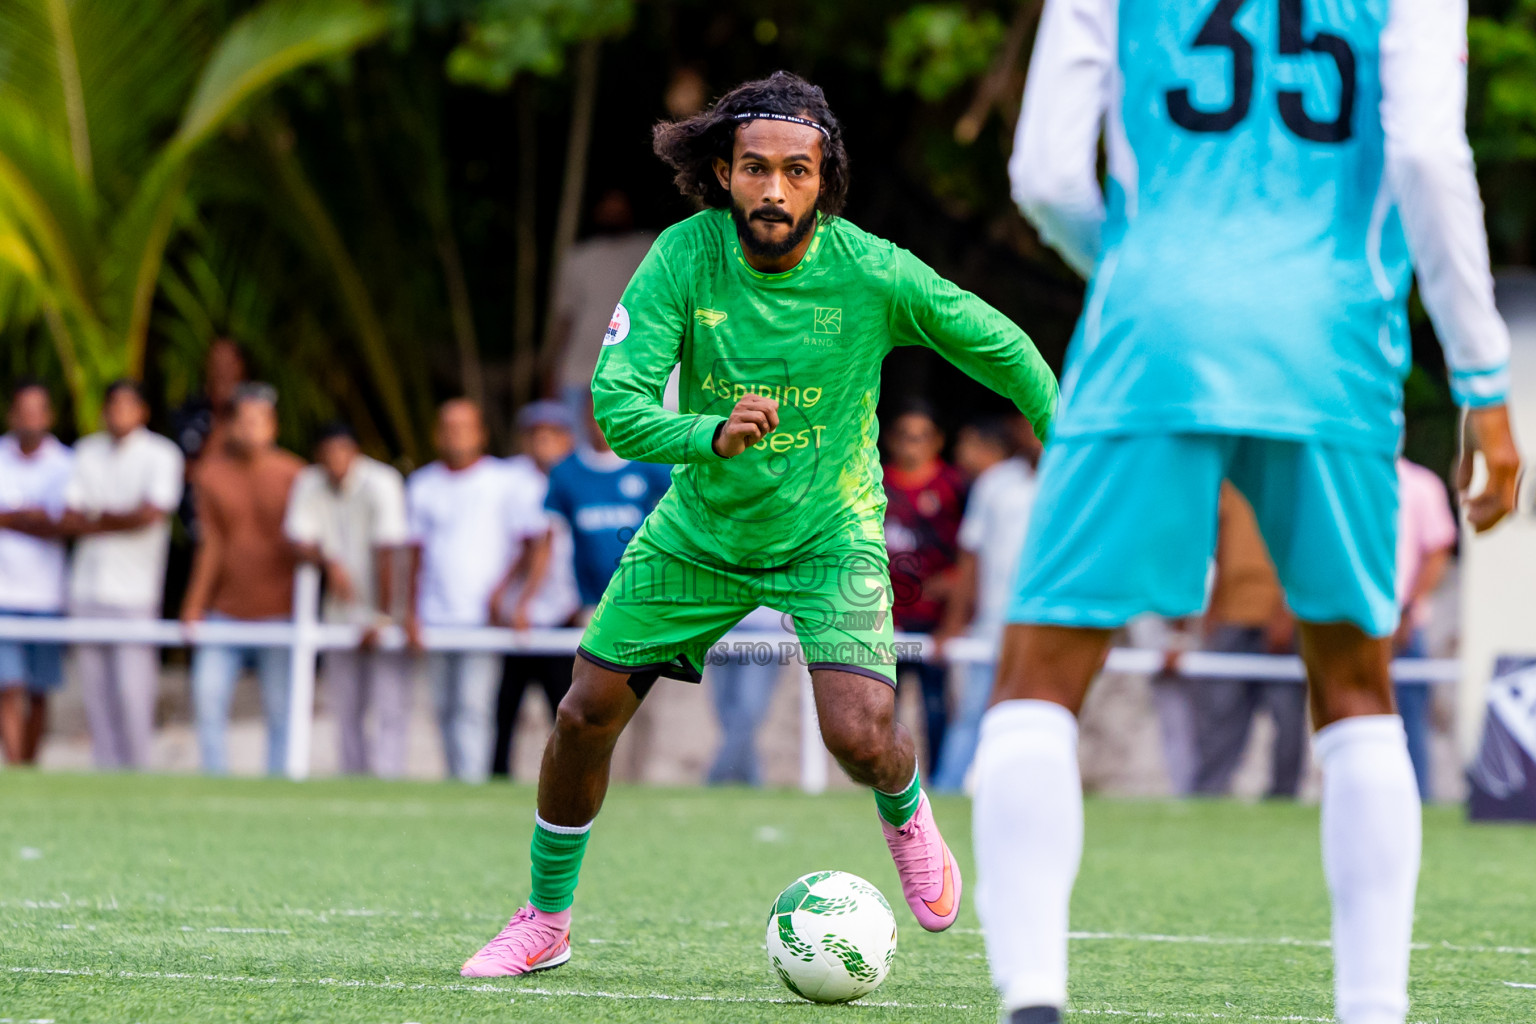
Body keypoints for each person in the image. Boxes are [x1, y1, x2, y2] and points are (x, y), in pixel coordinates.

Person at [975, 2, 1522, 1022]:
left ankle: (1034, 998)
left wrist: (1148, 275)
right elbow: (1425, 154)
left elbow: (1045, 173)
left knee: (1038, 675)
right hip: (1333, 339)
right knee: (1356, 684)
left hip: (1150, 329)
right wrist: (1483, 380)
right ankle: (1372, 1009)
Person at [459, 71, 1057, 978]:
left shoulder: (872, 270)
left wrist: (1067, 444)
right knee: (583, 714)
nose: (774, 189)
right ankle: (545, 921)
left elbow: (1002, 346)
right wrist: (708, 433)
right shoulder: (684, 256)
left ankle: (906, 808)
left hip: (830, 535)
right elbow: (616, 407)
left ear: (825, 181)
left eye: (795, 172)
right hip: (698, 533)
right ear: (723, 173)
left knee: (859, 737)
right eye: (755, 169)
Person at [406, 399, 547, 784]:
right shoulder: (422, 484)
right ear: (437, 434)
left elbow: (534, 543)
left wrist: (508, 595)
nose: (456, 435)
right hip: (435, 615)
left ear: (481, 433)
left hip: (483, 618)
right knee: (442, 708)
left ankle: (471, 785)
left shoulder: (505, 482)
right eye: (448, 427)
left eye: (464, 427)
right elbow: (415, 555)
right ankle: (456, 782)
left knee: (473, 707)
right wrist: (411, 612)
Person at [60, 380, 185, 770]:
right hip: (86, 587)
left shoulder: (162, 454)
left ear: (143, 411)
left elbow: (150, 514)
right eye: (113, 405)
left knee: (133, 692)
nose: (119, 413)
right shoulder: (86, 451)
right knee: (95, 695)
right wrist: (120, 517)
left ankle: (138, 771)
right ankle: (105, 773)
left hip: (135, 592)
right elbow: (70, 517)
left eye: (128, 406)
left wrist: (97, 517)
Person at [181, 383, 304, 776]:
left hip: (280, 611)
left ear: (273, 426)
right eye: (243, 420)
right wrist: (194, 605)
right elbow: (211, 545)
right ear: (230, 425)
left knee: (282, 708)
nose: (250, 427)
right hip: (226, 612)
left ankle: (279, 784)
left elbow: (306, 544)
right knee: (207, 699)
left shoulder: (295, 475)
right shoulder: (211, 475)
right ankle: (216, 781)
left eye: (258, 420)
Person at [284, 423, 412, 778]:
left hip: (386, 611)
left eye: (342, 451)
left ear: (355, 452)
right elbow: (297, 541)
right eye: (328, 453)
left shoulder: (382, 482)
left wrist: (382, 617)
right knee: (346, 707)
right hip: (339, 612)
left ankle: (389, 778)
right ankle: (353, 779)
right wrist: (330, 562)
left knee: (389, 704)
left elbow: (389, 550)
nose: (335, 460)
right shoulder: (309, 482)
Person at [930, 417, 1037, 793]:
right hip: (992, 627)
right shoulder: (995, 483)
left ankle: (1022, 793)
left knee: (1035, 722)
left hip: (1048, 630)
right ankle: (947, 793)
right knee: (971, 716)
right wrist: (953, 624)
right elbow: (971, 557)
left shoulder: (1076, 480)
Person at [1189, 484, 1305, 798]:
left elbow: (1304, 541)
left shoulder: (1292, 478)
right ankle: (1210, 796)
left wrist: (1286, 609)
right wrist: (1214, 608)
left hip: (1277, 618)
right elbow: (1220, 546)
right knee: (1219, 714)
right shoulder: (1229, 484)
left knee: (1286, 716)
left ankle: (1284, 797)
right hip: (1231, 615)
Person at [490, 401, 581, 780]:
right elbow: (532, 546)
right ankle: (500, 776)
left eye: (551, 436)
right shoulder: (518, 482)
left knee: (561, 706)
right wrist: (510, 599)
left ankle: (567, 781)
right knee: (507, 706)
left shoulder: (572, 477)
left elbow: (543, 546)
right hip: (531, 614)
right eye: (537, 436)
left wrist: (518, 601)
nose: (544, 444)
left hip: (560, 610)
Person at [882, 403, 967, 773]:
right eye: (904, 436)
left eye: (920, 437)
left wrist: (956, 590)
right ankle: (889, 777)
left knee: (935, 705)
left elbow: (974, 548)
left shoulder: (954, 486)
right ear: (890, 439)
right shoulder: (874, 481)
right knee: (885, 704)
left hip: (933, 619)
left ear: (937, 441)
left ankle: (941, 778)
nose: (911, 445)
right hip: (885, 616)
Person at [0, 380, 73, 764]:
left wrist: (10, 518)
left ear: (48, 416)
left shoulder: (67, 463)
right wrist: (36, 518)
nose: (29, 419)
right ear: (12, 415)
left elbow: (67, 522)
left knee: (39, 690)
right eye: (22, 411)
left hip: (47, 594)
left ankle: (30, 767)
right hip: (3, 593)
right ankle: (15, 769)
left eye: (36, 411)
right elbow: (48, 520)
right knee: (7, 686)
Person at [546, 191, 659, 411]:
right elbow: (565, 318)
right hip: (578, 370)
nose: (613, 213)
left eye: (618, 208)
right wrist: (552, 370)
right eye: (607, 208)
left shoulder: (650, 248)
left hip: (631, 369)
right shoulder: (578, 257)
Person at [1393, 457, 1459, 800]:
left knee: (1411, 722)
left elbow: (1438, 552)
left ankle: (1416, 796)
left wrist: (1407, 611)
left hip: (1406, 626)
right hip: (1353, 624)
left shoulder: (1420, 484)